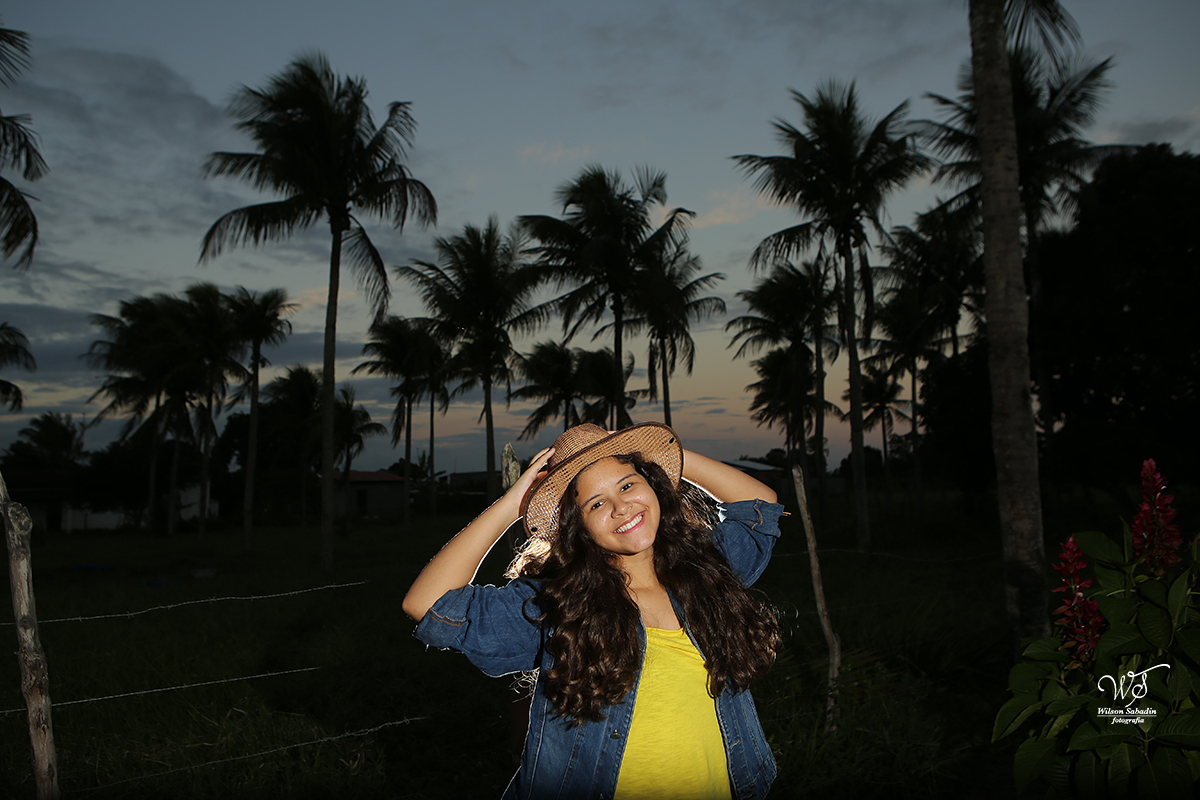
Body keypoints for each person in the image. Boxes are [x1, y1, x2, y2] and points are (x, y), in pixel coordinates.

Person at [403, 422, 783, 800]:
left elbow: (760, 506)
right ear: (578, 526)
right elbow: (427, 603)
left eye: (628, 485)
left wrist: (655, 454)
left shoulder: (705, 574)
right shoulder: (559, 607)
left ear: (653, 484)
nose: (621, 508)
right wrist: (511, 506)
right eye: (596, 504)